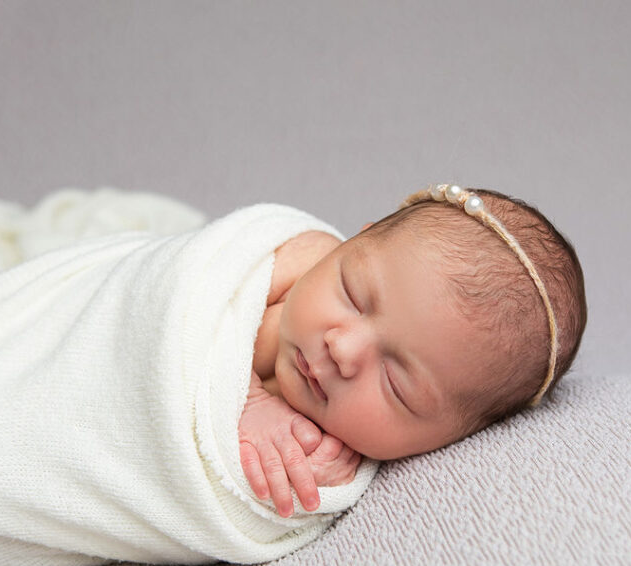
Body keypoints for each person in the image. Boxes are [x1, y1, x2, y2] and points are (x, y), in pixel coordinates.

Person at [238, 184, 587, 519]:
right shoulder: (289, 259)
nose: (342, 349)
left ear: (446, 439)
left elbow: (215, 512)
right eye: (353, 295)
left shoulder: (334, 456)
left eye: (395, 383)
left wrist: (308, 490)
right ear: (355, 241)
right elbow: (187, 292)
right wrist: (246, 400)